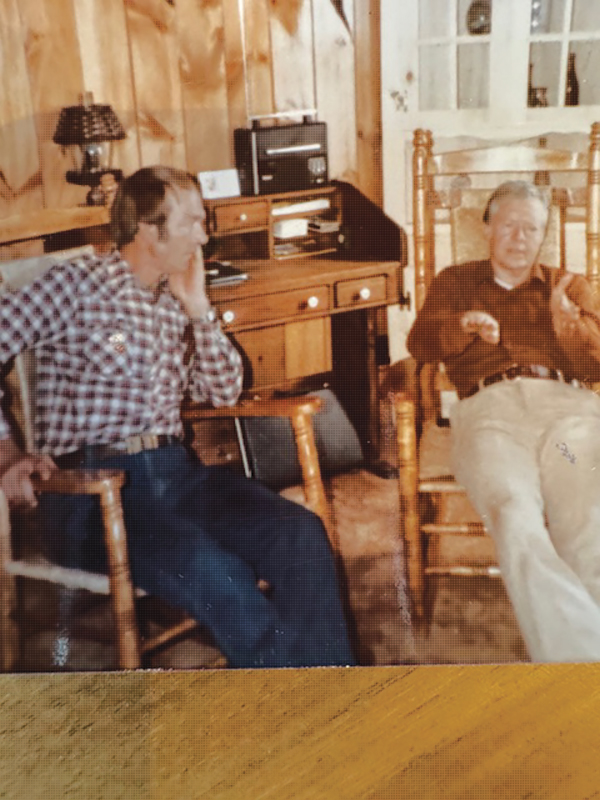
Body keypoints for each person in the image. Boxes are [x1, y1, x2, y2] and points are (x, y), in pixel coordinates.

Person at [0, 165, 356, 669]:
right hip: (94, 494)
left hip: (177, 477)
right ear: (149, 229)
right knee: (219, 575)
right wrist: (6, 452)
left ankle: (337, 693)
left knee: (297, 533)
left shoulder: (173, 304)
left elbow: (224, 389)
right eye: (192, 221)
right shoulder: (76, 284)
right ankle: (310, 708)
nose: (204, 235)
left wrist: (198, 310)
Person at [407, 180, 600, 663]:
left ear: (544, 236)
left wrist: (568, 324)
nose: (519, 237)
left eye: (531, 228)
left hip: (566, 413)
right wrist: (464, 326)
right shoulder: (455, 281)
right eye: (509, 224)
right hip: (489, 413)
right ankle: (580, 663)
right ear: (487, 228)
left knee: (589, 520)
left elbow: (597, 368)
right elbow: (421, 345)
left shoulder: (568, 285)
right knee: (514, 513)